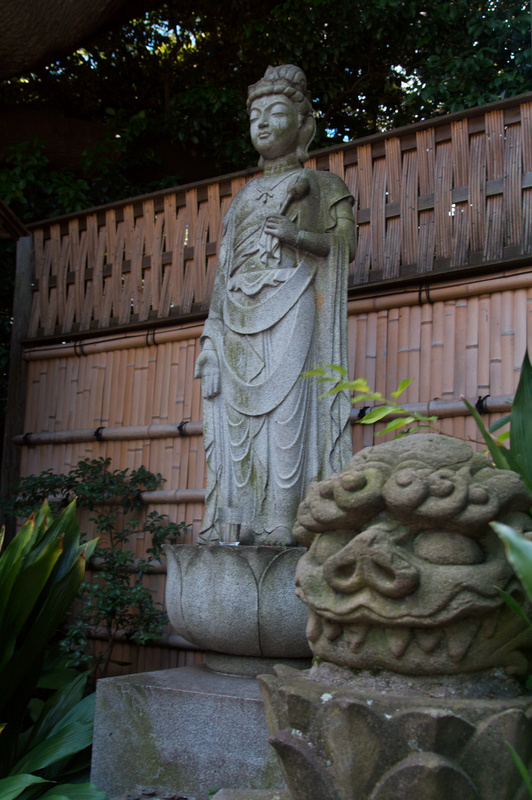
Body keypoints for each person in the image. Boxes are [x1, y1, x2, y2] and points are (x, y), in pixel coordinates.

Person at [195, 64, 355, 545]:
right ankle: (239, 520)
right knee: (240, 424)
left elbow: (344, 246)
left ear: (304, 125)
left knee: (289, 417)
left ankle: (284, 520)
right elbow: (222, 278)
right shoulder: (242, 197)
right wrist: (209, 344)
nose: (262, 123)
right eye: (254, 117)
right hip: (237, 314)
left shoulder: (324, 185)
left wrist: (297, 236)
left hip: (292, 302)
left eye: (276, 113)